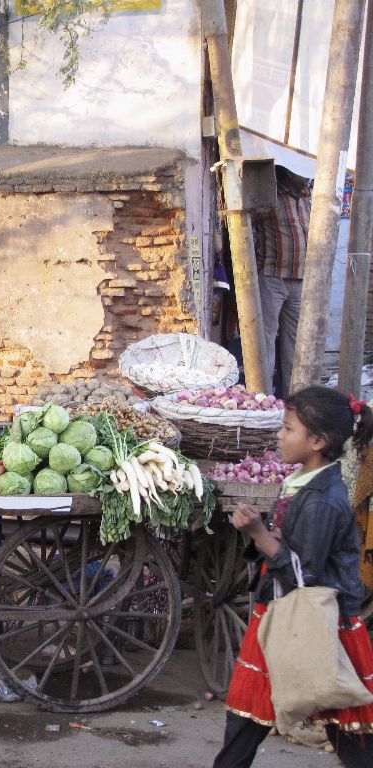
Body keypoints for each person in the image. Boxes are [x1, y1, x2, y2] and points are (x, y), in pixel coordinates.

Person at [213, 387, 373, 768]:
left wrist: (258, 534)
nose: (280, 436)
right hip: (284, 614)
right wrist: (262, 533)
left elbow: (307, 574)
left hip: (317, 620)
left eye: (288, 429)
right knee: (246, 721)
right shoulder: (301, 481)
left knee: (347, 729)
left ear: (318, 441)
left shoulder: (321, 500)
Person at [251, 165, 311, 396]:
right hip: (271, 276)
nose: (306, 176)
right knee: (265, 339)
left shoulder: (306, 197)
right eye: (302, 171)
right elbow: (247, 225)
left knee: (294, 343)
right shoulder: (270, 196)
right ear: (290, 171)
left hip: (300, 278)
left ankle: (293, 398)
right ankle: (262, 397)